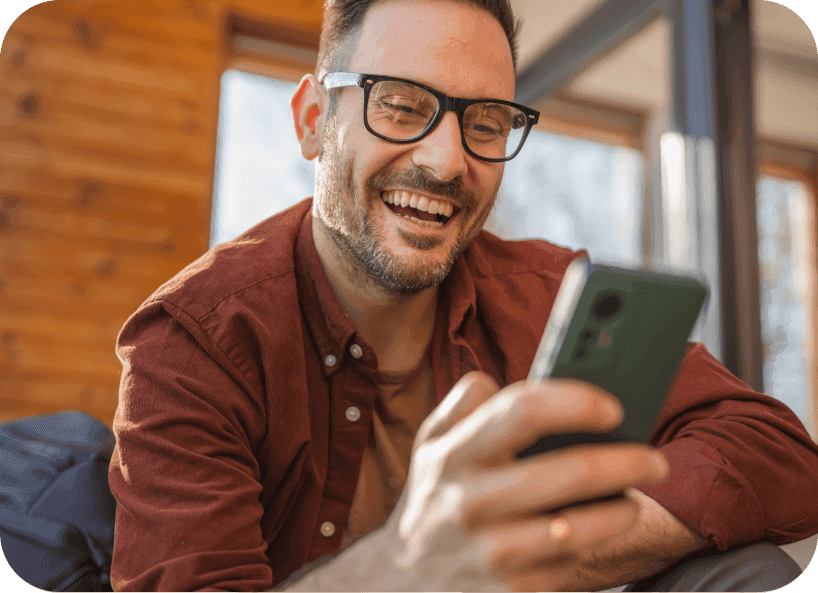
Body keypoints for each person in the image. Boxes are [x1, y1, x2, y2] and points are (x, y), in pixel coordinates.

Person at [108, 0, 818, 591]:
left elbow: (779, 454)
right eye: (400, 104)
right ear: (311, 121)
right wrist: (412, 571)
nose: (447, 160)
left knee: (747, 572)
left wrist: (547, 553)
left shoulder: (546, 295)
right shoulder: (193, 338)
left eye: (484, 124)